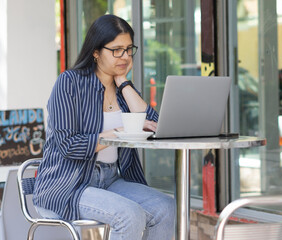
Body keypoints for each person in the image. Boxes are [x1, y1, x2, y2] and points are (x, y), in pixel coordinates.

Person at [33, 14, 176, 239]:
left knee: (166, 207)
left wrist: (124, 83)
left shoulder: (123, 91)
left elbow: (154, 125)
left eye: (129, 49)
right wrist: (117, 133)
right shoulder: (69, 83)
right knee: (129, 215)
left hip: (111, 179)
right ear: (96, 52)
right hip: (69, 183)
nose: (125, 56)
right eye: (117, 50)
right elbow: (68, 145)